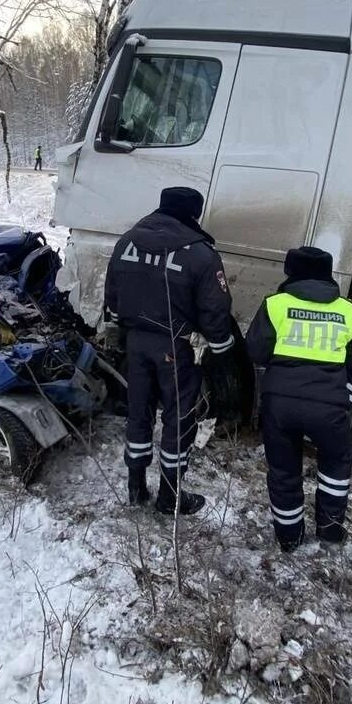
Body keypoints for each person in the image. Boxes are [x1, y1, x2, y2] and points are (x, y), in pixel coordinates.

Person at [104, 187, 237, 514]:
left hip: (136, 343)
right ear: (193, 214)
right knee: (179, 419)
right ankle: (170, 497)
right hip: (176, 349)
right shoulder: (202, 255)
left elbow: (113, 297)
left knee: (139, 412)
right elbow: (215, 311)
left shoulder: (127, 242)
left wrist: (123, 328)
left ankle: (135, 488)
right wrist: (222, 351)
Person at [245, 246, 352, 551]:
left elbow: (255, 351)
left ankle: (289, 539)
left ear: (292, 273)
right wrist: (348, 396)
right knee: (335, 466)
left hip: (280, 404)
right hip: (329, 406)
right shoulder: (348, 311)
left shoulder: (276, 305)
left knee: (284, 469)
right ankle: (329, 533)